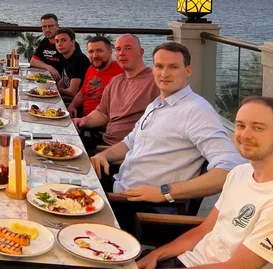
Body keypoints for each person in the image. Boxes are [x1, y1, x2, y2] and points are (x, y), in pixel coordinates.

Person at [90, 42, 244, 231]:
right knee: (66, 179)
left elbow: (230, 169)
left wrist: (164, 192)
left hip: (144, 209)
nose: (164, 73)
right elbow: (130, 142)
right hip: (120, 186)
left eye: (173, 67)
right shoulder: (157, 104)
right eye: (159, 66)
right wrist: (103, 156)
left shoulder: (196, 111)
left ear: (187, 71)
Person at [137, 97, 273, 269]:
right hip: (185, 261)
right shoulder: (239, 173)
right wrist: (156, 255)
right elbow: (204, 230)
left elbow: (235, 267)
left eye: (258, 128)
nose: (245, 135)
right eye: (240, 125)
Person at [73, 34, 160, 151]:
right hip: (105, 141)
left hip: (128, 150)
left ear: (141, 52)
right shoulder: (116, 81)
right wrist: (83, 120)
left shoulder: (155, 81)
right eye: (118, 49)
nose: (122, 53)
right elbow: (102, 113)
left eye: (128, 48)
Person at [67, 36, 123, 117]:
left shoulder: (121, 72)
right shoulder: (91, 68)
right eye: (91, 51)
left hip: (103, 120)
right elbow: (82, 93)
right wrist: (72, 106)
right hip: (83, 118)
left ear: (110, 52)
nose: (94, 55)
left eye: (99, 51)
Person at [53, 28, 90, 101]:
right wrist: (53, 89)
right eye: (57, 41)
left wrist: (58, 91)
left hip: (80, 100)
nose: (59, 44)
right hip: (70, 97)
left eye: (64, 40)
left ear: (73, 42)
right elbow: (65, 78)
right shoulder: (65, 55)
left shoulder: (78, 59)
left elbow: (72, 92)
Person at [30, 14, 64, 81]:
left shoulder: (65, 43)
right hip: (46, 79)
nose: (47, 30)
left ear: (57, 26)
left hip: (60, 81)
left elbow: (73, 70)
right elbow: (33, 61)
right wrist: (49, 68)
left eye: (51, 26)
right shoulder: (45, 41)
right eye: (44, 27)